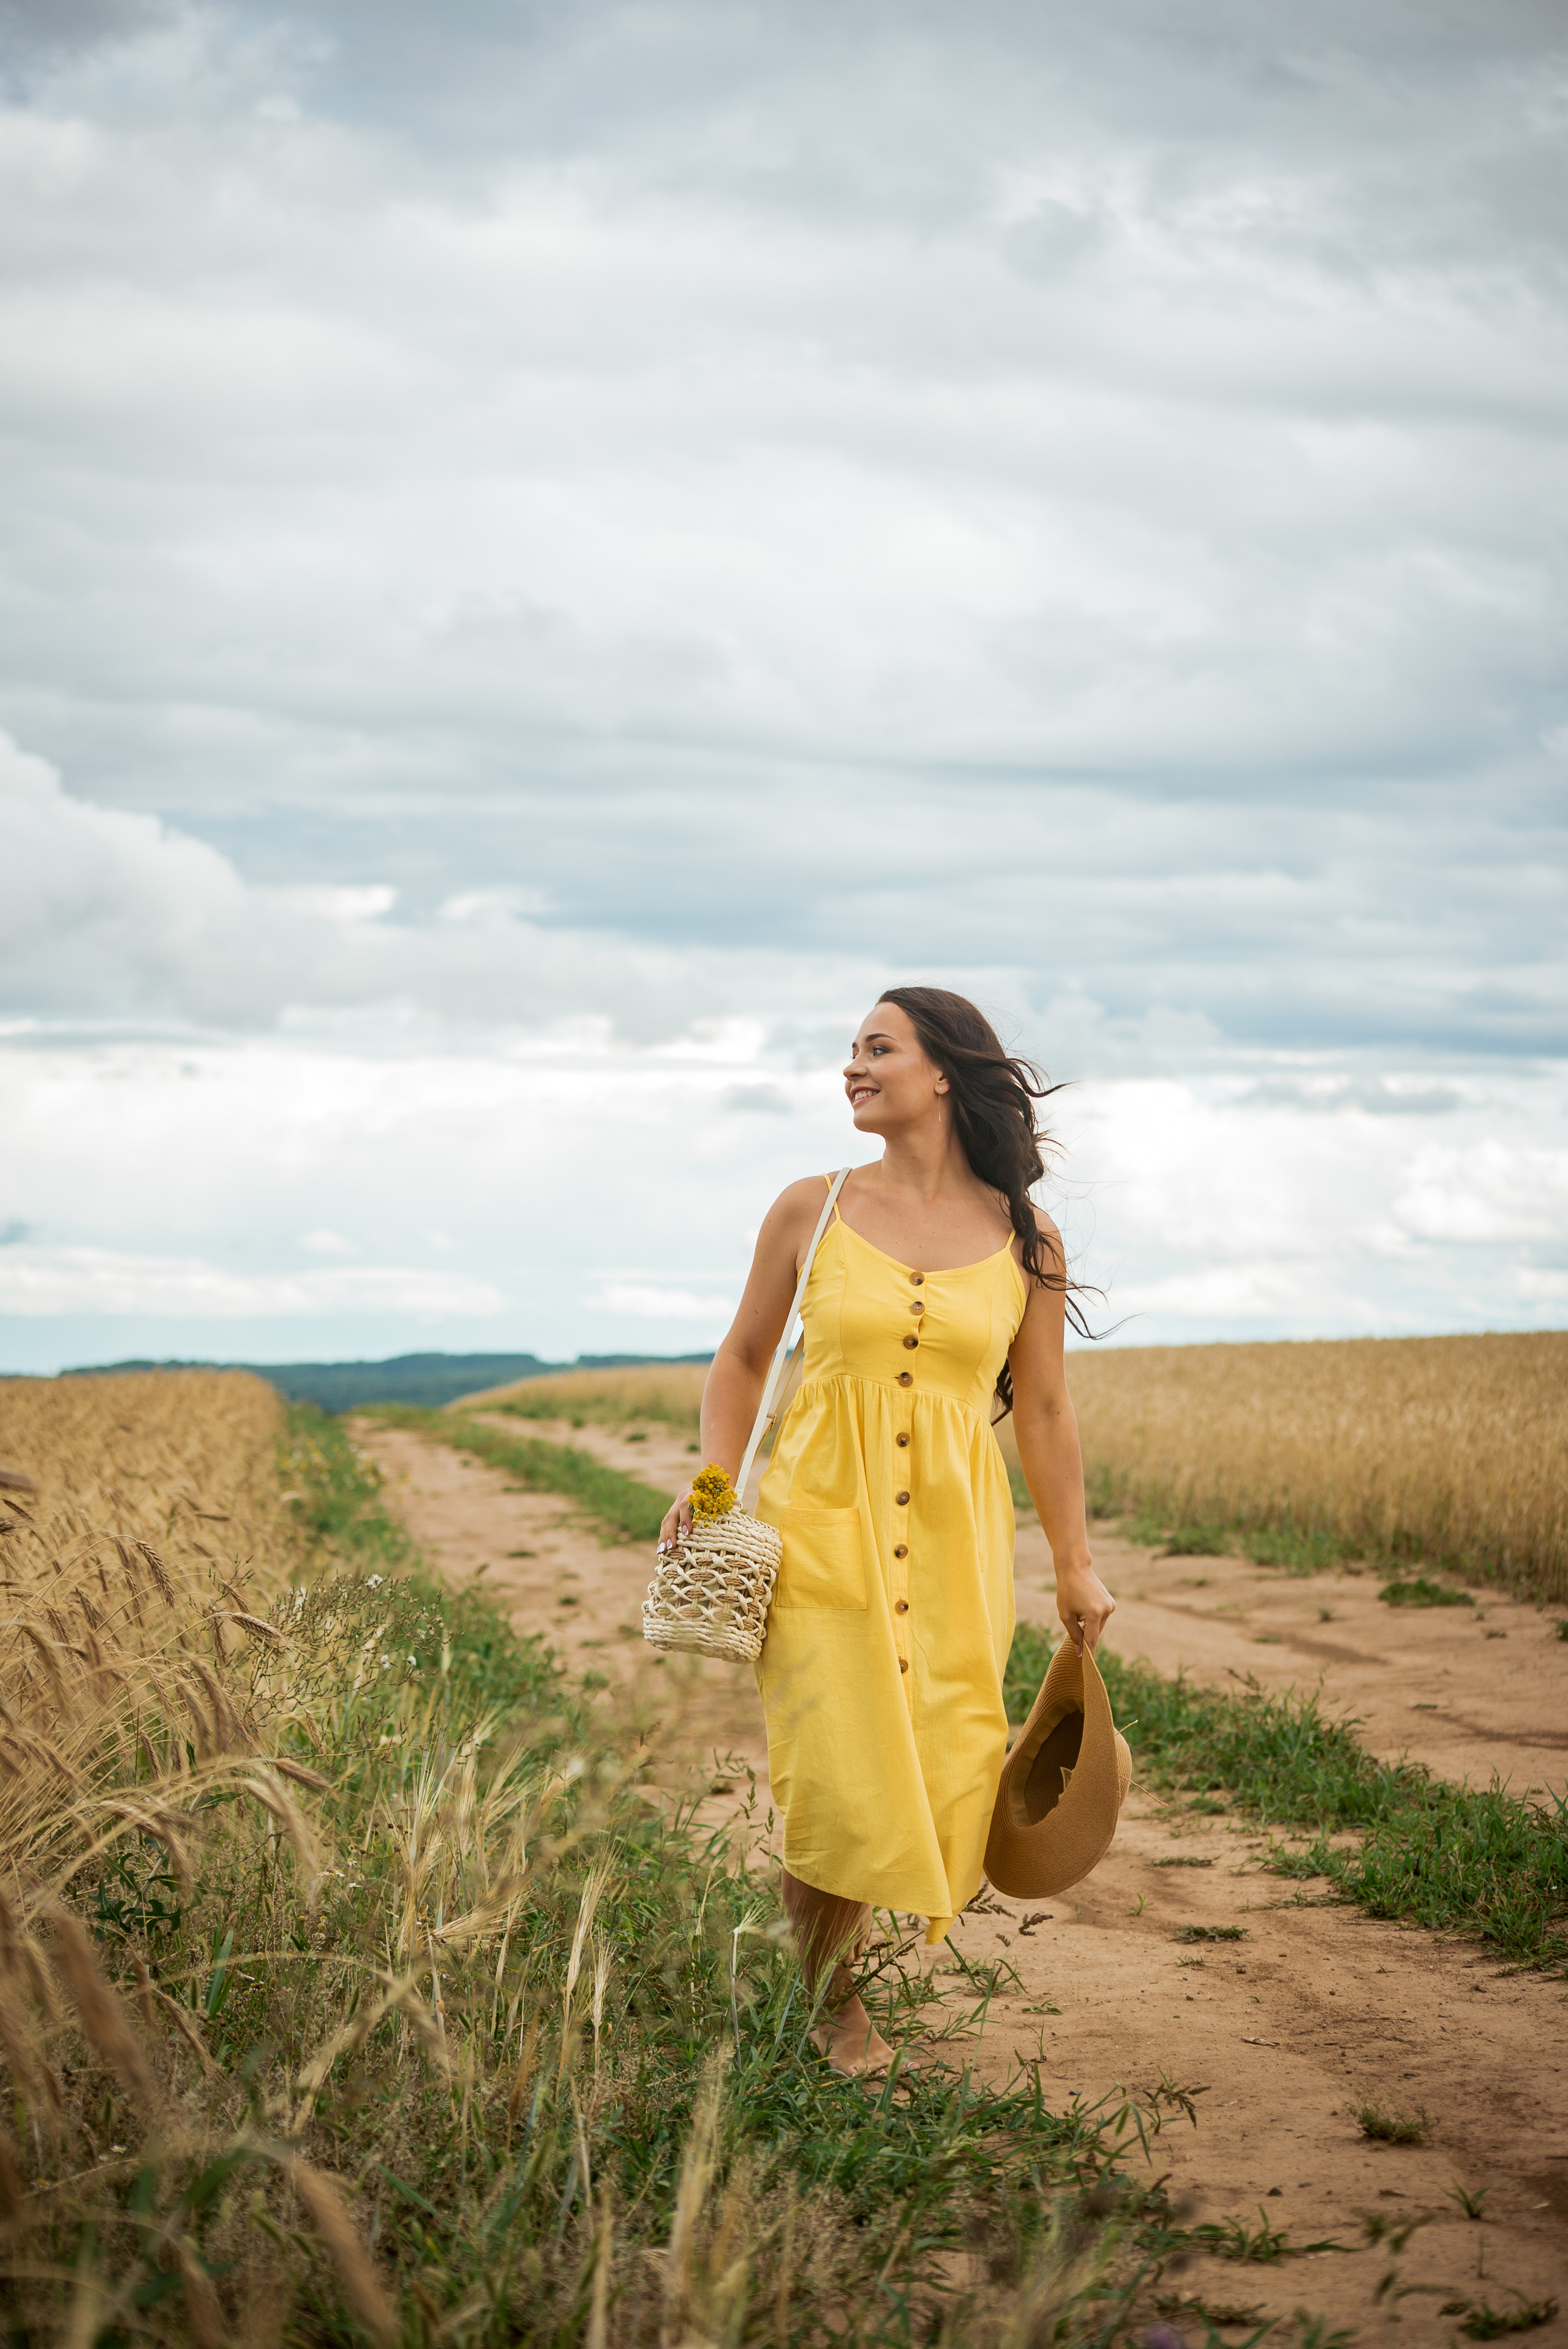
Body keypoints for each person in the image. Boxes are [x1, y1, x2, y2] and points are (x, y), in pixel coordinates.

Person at [657, 986, 1115, 2075]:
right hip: (820, 1526)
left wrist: (1076, 1562)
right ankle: (831, 2003)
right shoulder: (810, 1208)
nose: (852, 1067)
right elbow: (743, 1357)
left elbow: (1046, 1410)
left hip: (958, 1544)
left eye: (879, 1047)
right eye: (851, 1050)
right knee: (838, 1769)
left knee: (943, 1750)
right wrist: (715, 1479)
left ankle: (823, 1978)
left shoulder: (1026, 1239)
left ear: (945, 1071)